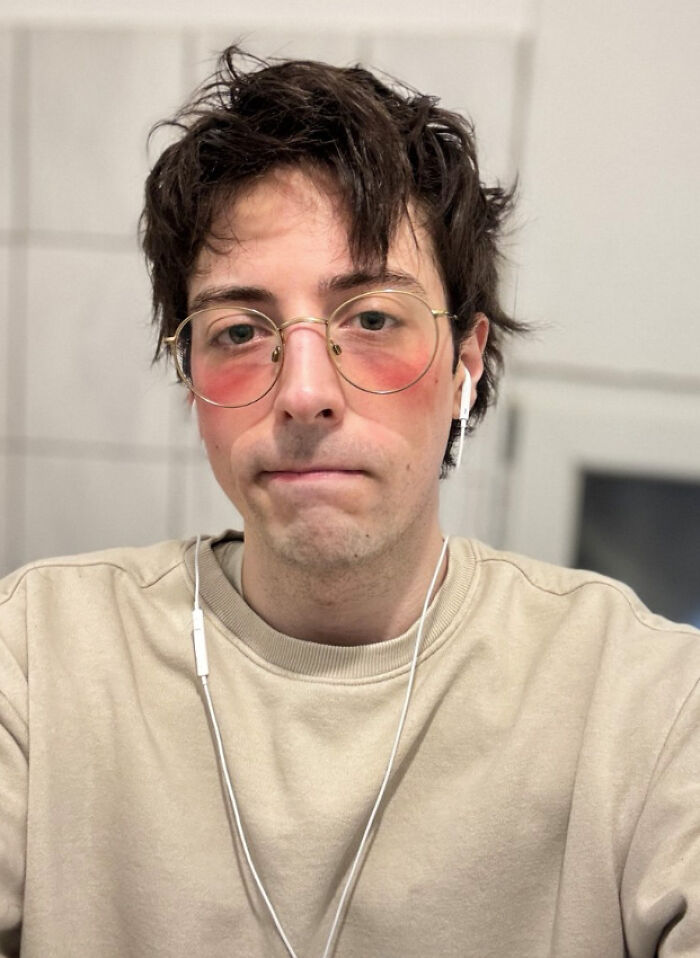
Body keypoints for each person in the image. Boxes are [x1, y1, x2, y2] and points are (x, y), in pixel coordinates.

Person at [1, 45, 698, 958]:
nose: (302, 392)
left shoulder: (644, 703)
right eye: (240, 330)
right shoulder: (40, 655)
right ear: (190, 379)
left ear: (468, 361)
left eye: (371, 318)